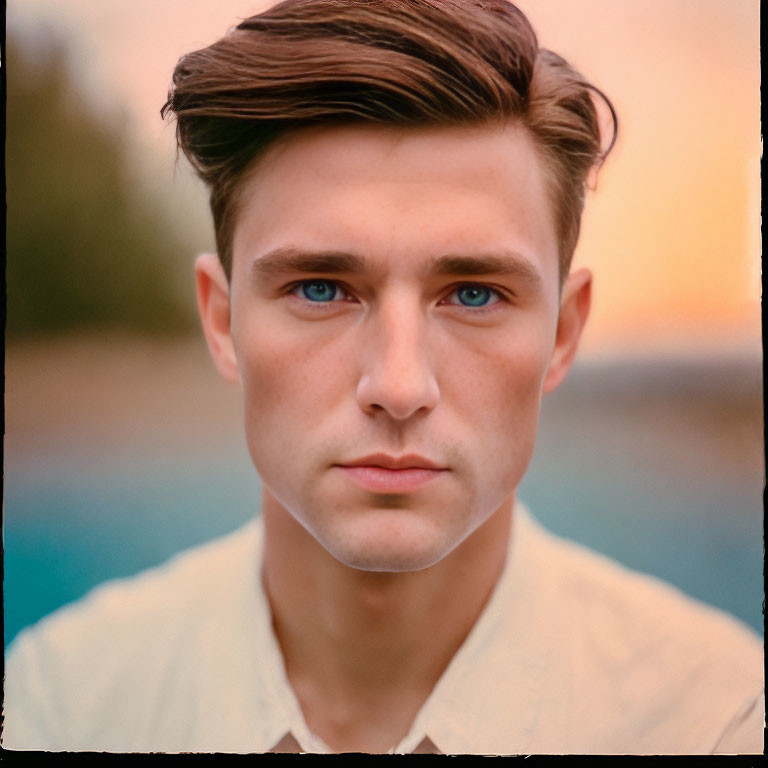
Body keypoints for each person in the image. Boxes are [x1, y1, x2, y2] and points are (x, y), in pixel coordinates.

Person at [3, 0, 763, 755]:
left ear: (563, 334)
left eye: (473, 294)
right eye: (321, 289)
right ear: (223, 322)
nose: (399, 388)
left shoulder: (715, 723)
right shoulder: (61, 705)